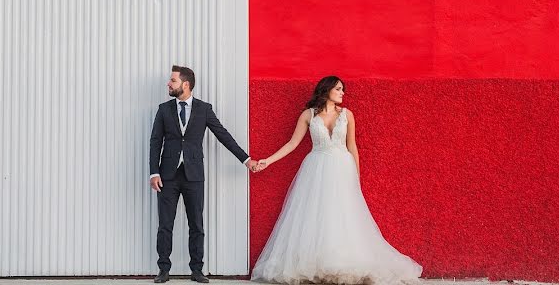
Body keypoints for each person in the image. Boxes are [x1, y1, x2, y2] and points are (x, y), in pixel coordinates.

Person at [251, 76, 423, 284]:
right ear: (327, 90)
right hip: (316, 169)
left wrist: (356, 179)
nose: (342, 93)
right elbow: (292, 144)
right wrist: (267, 161)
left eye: (343, 89)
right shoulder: (308, 115)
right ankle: (317, 263)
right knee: (317, 214)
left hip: (342, 169)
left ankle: (343, 260)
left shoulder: (347, 115)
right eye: (339, 89)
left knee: (343, 214)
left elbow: (353, 147)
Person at [149, 65, 259, 283]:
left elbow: (223, 135)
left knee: (196, 225)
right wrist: (154, 173)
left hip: (194, 176)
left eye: (172, 80)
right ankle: (163, 269)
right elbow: (155, 142)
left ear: (185, 84)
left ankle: (197, 269)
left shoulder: (204, 109)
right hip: (167, 176)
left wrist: (246, 159)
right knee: (165, 225)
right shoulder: (163, 109)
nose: (168, 84)